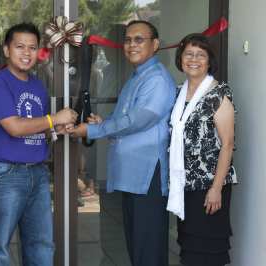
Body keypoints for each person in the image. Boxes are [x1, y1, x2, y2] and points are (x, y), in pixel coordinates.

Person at [68, 20, 176, 266]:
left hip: (147, 175)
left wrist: (95, 129)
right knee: (137, 245)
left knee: (147, 250)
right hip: (133, 176)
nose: (131, 45)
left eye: (139, 39)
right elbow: (126, 118)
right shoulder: (137, 77)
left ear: (155, 44)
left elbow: (138, 120)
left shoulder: (156, 79)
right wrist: (104, 122)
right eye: (127, 40)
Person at [0, 22, 77, 266]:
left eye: (32, 48)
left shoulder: (36, 84)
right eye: (19, 47)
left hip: (37, 171)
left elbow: (38, 126)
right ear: (6, 50)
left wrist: (56, 127)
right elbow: (14, 127)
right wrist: (54, 119)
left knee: (41, 244)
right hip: (4, 174)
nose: (26, 53)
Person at [168, 33, 237, 266]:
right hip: (185, 184)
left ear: (209, 61)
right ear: (181, 58)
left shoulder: (218, 95)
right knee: (189, 246)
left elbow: (227, 145)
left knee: (208, 249)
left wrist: (216, 188)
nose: (194, 59)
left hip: (210, 186)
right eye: (189, 53)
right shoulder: (178, 92)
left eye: (200, 54)